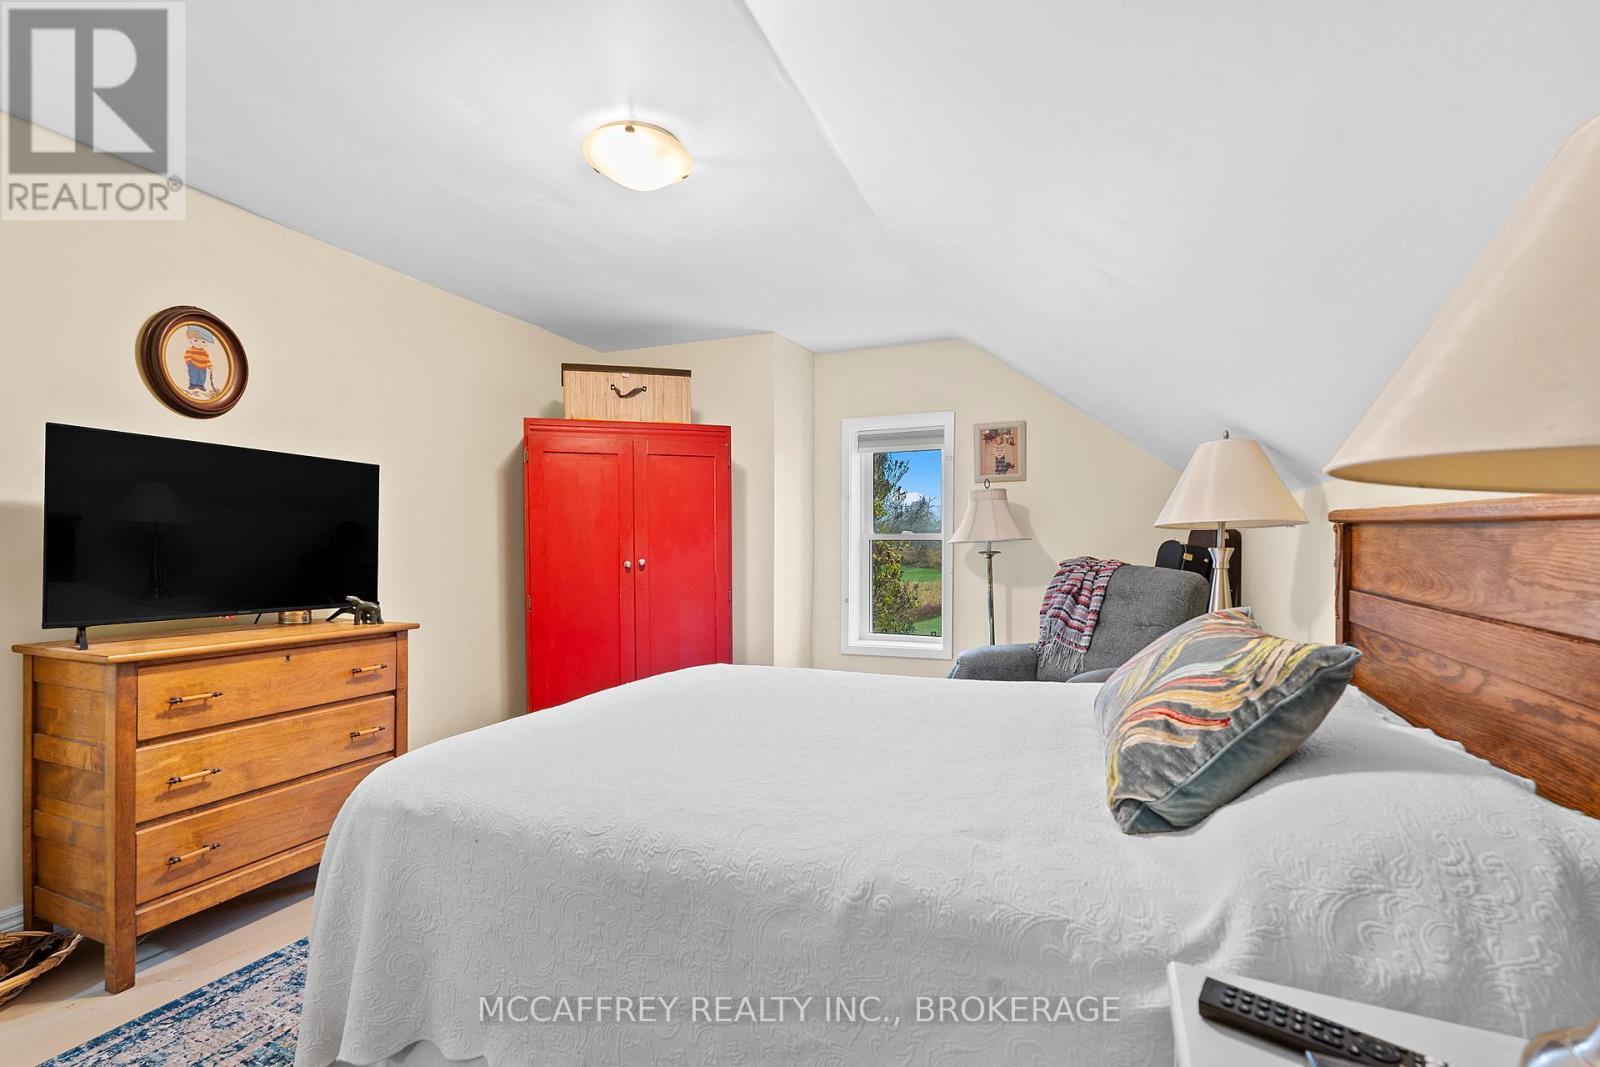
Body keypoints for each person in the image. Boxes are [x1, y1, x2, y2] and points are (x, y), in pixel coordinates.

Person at [182, 325, 214, 395]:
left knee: (202, 376)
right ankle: (193, 384)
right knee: (193, 375)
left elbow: (207, 359)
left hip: (203, 366)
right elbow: (188, 356)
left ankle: (200, 385)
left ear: (206, 343)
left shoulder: (204, 352)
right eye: (196, 340)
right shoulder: (190, 349)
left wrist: (209, 365)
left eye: (203, 342)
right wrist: (189, 362)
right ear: (190, 340)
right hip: (193, 364)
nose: (199, 343)